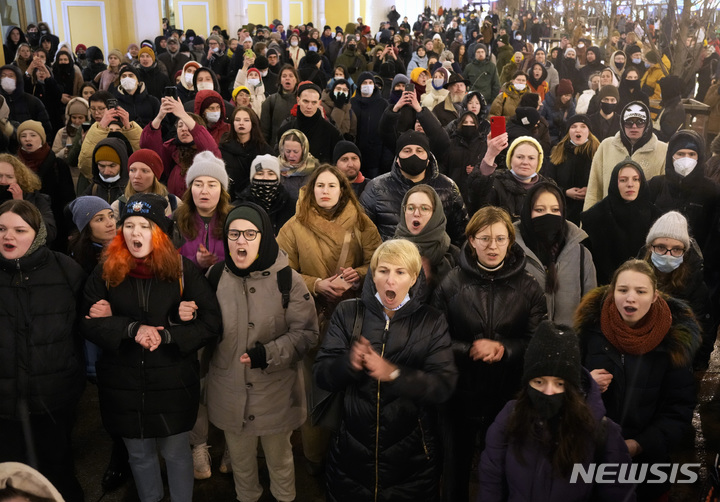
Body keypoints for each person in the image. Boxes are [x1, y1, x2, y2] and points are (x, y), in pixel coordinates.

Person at [81, 193, 222, 502]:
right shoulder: (107, 270)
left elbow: (211, 323)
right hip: (123, 383)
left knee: (175, 453)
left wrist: (170, 333)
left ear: (159, 232)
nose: (135, 233)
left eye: (144, 226)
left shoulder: (183, 270)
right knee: (140, 455)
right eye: (128, 225)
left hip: (172, 381)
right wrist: (130, 328)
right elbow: (87, 321)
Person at [314, 238, 458, 501]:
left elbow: (443, 385)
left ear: (414, 278)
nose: (390, 280)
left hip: (411, 463)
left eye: (400, 272)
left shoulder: (431, 321)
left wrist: (394, 374)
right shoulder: (349, 313)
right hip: (350, 458)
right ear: (373, 274)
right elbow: (322, 373)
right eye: (383, 270)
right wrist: (348, 363)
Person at [431, 205, 547, 502]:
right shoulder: (451, 282)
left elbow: (536, 341)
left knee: (502, 470)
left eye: (499, 238)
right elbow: (434, 338)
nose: (492, 246)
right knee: (455, 470)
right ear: (471, 240)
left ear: (510, 241)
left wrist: (504, 349)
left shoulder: (529, 286)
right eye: (484, 238)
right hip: (459, 393)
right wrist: (469, 348)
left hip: (507, 393)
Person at [206, 202, 318, 502]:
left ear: (264, 237)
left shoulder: (288, 280)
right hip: (229, 391)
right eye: (234, 234)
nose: (241, 241)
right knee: (241, 466)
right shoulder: (215, 277)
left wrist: (267, 354)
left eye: (250, 234)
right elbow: (205, 329)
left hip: (275, 395)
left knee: (280, 462)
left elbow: (306, 333)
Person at [276, 164, 382, 472]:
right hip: (313, 317)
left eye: (331, 186)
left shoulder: (362, 223)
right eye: (319, 186)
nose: (325, 191)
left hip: (353, 320)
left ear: (342, 190)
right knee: (316, 388)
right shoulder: (294, 226)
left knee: (355, 387)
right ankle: (316, 457)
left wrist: (358, 275)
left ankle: (351, 456)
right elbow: (282, 271)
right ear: (310, 191)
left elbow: (377, 262)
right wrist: (318, 284)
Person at [576, 259, 700, 501]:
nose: (630, 298)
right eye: (622, 290)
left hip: (647, 463)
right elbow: (563, 387)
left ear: (654, 296)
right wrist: (585, 383)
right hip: (593, 455)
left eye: (641, 291)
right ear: (612, 293)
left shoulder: (673, 343)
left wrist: (639, 444)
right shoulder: (589, 331)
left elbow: (679, 410)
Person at [478, 321, 635, 501]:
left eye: (559, 384)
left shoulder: (602, 432)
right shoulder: (509, 418)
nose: (549, 392)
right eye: (539, 382)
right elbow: (491, 484)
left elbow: (619, 494)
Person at [0, 200, 86, 502]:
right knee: (10, 482)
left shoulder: (66, 270)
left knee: (57, 473)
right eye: (1, 228)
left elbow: (83, 327)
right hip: (4, 405)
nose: (7, 236)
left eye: (19, 230)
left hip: (53, 399)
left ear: (36, 234)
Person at [360, 130, 467, 244]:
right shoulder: (376, 188)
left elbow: (461, 234)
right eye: (407, 151)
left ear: (428, 159)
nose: (414, 155)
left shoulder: (448, 187)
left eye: (419, 151)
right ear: (397, 158)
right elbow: (362, 233)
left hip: (435, 260)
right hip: (392, 258)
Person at [640, 211, 715, 370]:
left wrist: (696, 368)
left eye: (676, 249)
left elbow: (705, 331)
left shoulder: (695, 286)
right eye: (661, 247)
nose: (668, 255)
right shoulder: (634, 276)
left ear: (684, 252)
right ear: (650, 247)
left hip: (677, 365)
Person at [514, 182, 596, 326]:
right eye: (539, 210)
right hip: (524, 345)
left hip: (570, 345)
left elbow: (591, 310)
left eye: (555, 209)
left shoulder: (581, 254)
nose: (548, 215)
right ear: (527, 212)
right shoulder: (512, 253)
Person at [581, 159, 662, 285]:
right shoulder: (595, 216)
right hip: (603, 287)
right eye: (623, 180)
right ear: (614, 182)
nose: (630, 184)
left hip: (645, 286)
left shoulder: (656, 217)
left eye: (636, 179)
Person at [583, 101, 668, 210]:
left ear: (647, 123)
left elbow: (663, 195)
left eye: (640, 121)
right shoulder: (606, 146)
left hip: (645, 221)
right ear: (622, 123)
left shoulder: (663, 150)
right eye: (628, 122)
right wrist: (587, 222)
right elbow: (594, 190)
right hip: (609, 219)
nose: (634, 126)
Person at [140, 96, 220, 197]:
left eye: (187, 125)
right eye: (180, 125)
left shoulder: (205, 150)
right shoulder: (170, 149)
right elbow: (147, 146)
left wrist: (183, 114)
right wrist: (160, 116)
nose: (183, 129)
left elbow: (210, 149)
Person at [15, 119, 75, 249]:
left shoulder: (57, 164)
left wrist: (70, 229)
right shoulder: (14, 165)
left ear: (41, 139)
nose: (27, 139)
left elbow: (68, 199)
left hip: (55, 225)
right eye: (23, 136)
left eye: (33, 135)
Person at [393, 185, 459, 296]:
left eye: (424, 208)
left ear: (435, 214)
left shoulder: (454, 255)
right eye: (410, 208)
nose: (416, 214)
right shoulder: (387, 252)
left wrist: (430, 281)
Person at [175, 151, 232, 270]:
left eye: (212, 185)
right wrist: (195, 262)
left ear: (222, 191)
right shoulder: (175, 220)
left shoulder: (234, 220)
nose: (204, 191)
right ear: (190, 189)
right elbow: (165, 261)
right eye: (198, 184)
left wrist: (216, 265)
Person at [467, 134, 547, 219]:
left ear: (538, 162)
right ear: (510, 159)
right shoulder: (496, 183)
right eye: (519, 157)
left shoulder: (547, 188)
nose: (525, 162)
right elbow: (476, 197)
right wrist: (490, 154)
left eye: (531, 158)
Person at [542, 115, 600, 224]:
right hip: (563, 212)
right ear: (568, 132)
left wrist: (590, 191)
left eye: (583, 126)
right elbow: (548, 182)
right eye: (573, 126)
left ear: (589, 131)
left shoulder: (599, 153)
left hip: (591, 212)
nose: (578, 129)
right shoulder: (558, 152)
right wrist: (565, 192)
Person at [276, 81, 342, 164]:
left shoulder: (332, 133)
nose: (309, 106)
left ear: (319, 103)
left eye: (314, 102)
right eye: (306, 101)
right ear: (298, 100)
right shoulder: (284, 131)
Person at [220, 106, 273, 199]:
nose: (241, 123)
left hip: (256, 197)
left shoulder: (264, 150)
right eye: (237, 120)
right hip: (229, 197)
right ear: (232, 123)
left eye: (246, 120)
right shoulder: (223, 148)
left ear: (253, 123)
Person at [0, 153, 56, 242]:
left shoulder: (37, 199)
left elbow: (49, 233)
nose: (3, 181)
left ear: (19, 179)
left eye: (9, 177)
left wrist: (21, 206)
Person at [111, 148, 181, 219]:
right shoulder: (119, 206)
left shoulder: (173, 203)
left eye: (144, 171)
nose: (137, 176)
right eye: (132, 170)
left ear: (155, 176)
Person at [235, 154, 295, 235]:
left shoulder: (291, 206)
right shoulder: (238, 207)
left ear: (278, 178)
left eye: (271, 174)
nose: (265, 178)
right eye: (260, 173)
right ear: (252, 178)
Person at [276, 128, 319, 200]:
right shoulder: (275, 166)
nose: (291, 155)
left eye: (296, 152)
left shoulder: (314, 168)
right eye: (288, 151)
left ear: (304, 150)